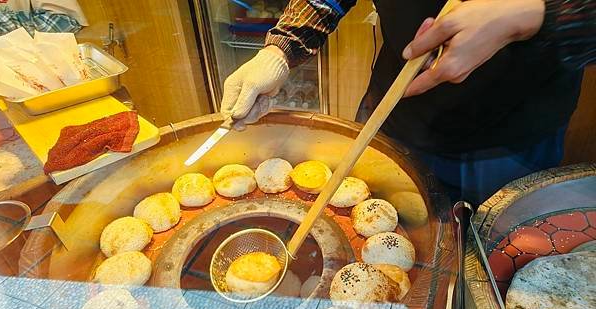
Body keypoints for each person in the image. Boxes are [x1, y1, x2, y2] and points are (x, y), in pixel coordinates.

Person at [221, 0, 596, 206]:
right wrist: (281, 48)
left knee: (488, 279)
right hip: (394, 114)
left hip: (514, 137)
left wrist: (534, 15)